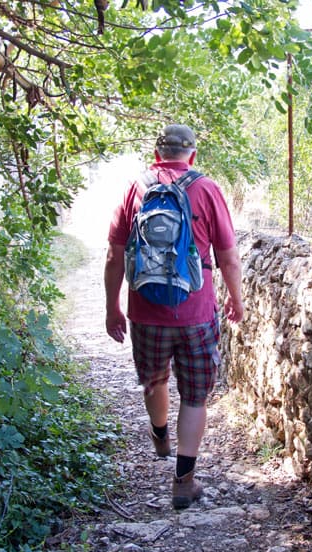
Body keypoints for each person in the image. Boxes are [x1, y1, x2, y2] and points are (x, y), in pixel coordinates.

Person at [104, 124, 244, 509]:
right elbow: (229, 257)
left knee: (154, 379)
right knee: (195, 397)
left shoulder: (136, 188)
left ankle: (160, 433)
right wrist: (236, 299)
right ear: (192, 155)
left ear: (156, 153)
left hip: (146, 311)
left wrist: (112, 308)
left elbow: (115, 255)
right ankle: (183, 481)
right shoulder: (207, 189)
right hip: (197, 313)